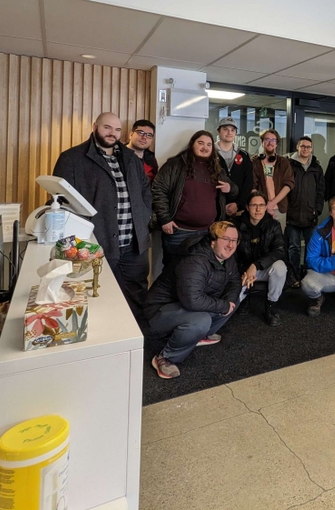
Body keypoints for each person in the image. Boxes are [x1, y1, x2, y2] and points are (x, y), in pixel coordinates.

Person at [53, 112, 152, 325]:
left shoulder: (130, 158)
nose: (112, 133)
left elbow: (145, 190)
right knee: (100, 296)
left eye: (117, 129)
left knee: (137, 296)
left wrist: (144, 216)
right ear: (95, 126)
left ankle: (136, 340)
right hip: (98, 244)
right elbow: (61, 201)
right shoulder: (71, 158)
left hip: (135, 245)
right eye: (107, 128)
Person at [144, 221, 242, 379]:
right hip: (159, 312)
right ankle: (165, 357)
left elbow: (235, 282)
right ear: (213, 241)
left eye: (234, 240)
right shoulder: (195, 260)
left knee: (233, 300)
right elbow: (192, 300)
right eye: (226, 239)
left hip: (185, 306)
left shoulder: (226, 257)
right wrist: (223, 306)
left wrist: (228, 302)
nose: (231, 245)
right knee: (201, 319)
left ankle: (198, 335)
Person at [152, 130, 237, 268]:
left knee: (200, 273)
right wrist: (165, 219)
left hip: (207, 233)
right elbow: (158, 190)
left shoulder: (217, 169)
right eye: (201, 143)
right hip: (178, 232)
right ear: (192, 144)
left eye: (209, 144)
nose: (205, 147)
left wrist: (230, 188)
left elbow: (233, 190)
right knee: (172, 272)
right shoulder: (175, 165)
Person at [236, 191, 288, 327]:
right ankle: (244, 298)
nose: (258, 209)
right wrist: (245, 270)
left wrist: (256, 265)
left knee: (280, 267)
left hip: (262, 269)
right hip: (242, 270)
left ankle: (271, 305)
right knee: (229, 308)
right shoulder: (236, 225)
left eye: (261, 205)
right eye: (254, 205)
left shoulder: (274, 225)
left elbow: (280, 250)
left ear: (266, 207)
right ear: (247, 207)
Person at [285, 136, 325, 287]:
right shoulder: (289, 164)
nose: (305, 149)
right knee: (293, 248)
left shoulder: (316, 167)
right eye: (303, 146)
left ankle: (309, 277)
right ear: (297, 147)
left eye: (308, 147)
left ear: (311, 149)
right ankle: (294, 277)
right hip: (292, 215)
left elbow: (321, 191)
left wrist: (318, 209)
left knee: (311, 249)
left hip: (310, 215)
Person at [252, 129, 294, 229]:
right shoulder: (255, 162)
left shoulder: (283, 162)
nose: (270, 142)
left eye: (273, 140)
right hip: (260, 208)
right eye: (267, 139)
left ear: (276, 144)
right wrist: (264, 206)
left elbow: (289, 185)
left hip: (279, 209)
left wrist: (272, 204)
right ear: (262, 142)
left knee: (278, 241)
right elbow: (253, 186)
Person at [215, 116, 253, 216]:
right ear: (218, 131)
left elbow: (248, 182)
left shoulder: (243, 155)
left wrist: (238, 204)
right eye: (225, 129)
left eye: (232, 130)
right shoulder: (210, 153)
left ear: (236, 133)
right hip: (214, 208)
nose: (229, 132)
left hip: (237, 209)